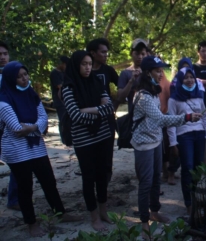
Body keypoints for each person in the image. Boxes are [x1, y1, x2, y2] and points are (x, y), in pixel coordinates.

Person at [0, 61, 81, 237]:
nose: (24, 79)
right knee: (25, 187)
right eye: (19, 77)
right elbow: (16, 129)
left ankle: (60, 213)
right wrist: (35, 128)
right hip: (17, 151)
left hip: (36, 147)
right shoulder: (4, 101)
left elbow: (43, 118)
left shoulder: (31, 94)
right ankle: (31, 223)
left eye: (25, 75)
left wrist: (32, 128)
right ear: (10, 79)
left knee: (49, 181)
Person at [130, 55, 202, 239]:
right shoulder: (143, 95)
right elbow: (161, 119)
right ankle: (145, 221)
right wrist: (186, 117)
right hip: (144, 144)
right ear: (148, 73)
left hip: (155, 141)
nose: (161, 73)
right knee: (146, 182)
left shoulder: (153, 90)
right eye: (157, 70)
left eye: (161, 69)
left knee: (155, 179)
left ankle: (154, 211)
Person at [61, 50, 116, 232]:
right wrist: (98, 112)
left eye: (90, 64)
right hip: (83, 140)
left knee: (102, 176)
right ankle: (94, 217)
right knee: (89, 177)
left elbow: (109, 107)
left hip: (102, 136)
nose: (87, 67)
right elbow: (75, 115)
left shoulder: (96, 81)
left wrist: (89, 110)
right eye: (84, 64)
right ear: (76, 65)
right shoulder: (68, 87)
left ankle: (103, 212)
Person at [167, 67, 206, 216]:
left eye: (191, 77)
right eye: (185, 78)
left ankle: (192, 194)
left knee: (199, 166)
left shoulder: (199, 96)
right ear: (180, 80)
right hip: (184, 135)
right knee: (187, 167)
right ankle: (189, 204)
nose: (189, 80)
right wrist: (173, 143)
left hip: (199, 134)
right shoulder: (173, 99)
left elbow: (204, 117)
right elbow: (171, 121)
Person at [86, 38, 119, 183]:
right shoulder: (83, 71)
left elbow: (121, 88)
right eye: (103, 52)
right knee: (91, 156)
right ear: (93, 53)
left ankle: (104, 189)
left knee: (107, 155)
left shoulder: (108, 70)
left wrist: (114, 105)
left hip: (107, 120)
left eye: (107, 52)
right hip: (87, 120)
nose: (106, 55)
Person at [0, 42, 19, 211]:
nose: (2, 57)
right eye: (0, 54)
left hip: (13, 127)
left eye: (5, 53)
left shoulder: (16, 75)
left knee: (17, 164)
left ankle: (14, 199)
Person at [117, 39, 148, 112]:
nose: (140, 57)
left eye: (142, 54)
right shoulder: (125, 73)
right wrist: (131, 81)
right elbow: (120, 97)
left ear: (146, 54)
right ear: (131, 53)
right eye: (137, 54)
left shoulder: (151, 72)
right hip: (133, 115)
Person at [49, 56, 69, 144]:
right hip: (59, 100)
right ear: (61, 64)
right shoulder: (54, 73)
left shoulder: (65, 72)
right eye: (65, 64)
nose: (66, 66)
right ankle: (64, 139)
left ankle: (69, 138)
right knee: (63, 119)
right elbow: (59, 85)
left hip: (67, 100)